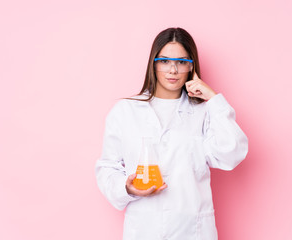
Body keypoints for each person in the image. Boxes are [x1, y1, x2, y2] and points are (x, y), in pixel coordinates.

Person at [95, 27, 248, 240]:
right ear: (153, 63)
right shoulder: (126, 111)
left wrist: (214, 99)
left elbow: (231, 154)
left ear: (192, 67)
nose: (173, 70)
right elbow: (107, 167)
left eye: (182, 62)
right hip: (144, 228)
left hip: (193, 230)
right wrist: (127, 188)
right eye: (165, 61)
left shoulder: (203, 112)